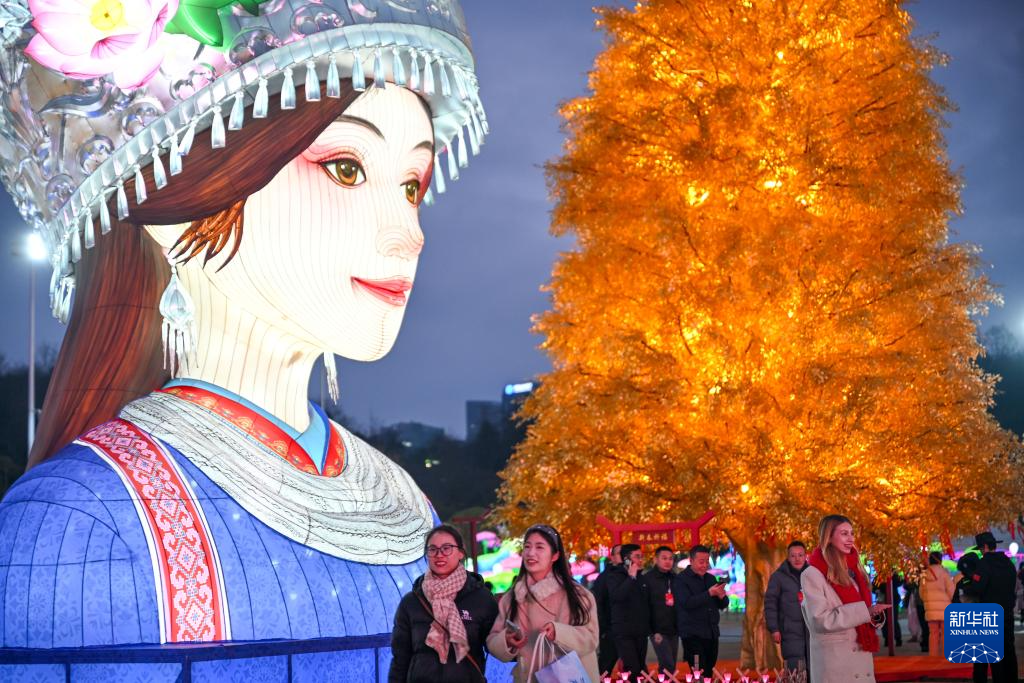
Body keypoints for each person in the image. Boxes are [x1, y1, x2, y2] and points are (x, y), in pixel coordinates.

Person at [0, 0, 490, 674]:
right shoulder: (75, 521)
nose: (409, 233)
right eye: (347, 168)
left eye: (411, 185)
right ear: (177, 208)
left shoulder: (406, 503)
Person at [487, 525, 600, 683]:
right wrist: (506, 640)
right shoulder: (512, 598)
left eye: (539, 547)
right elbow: (492, 640)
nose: (531, 553)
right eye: (527, 546)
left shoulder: (578, 595)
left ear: (555, 555)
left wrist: (559, 633)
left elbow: (591, 638)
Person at [390, 525, 498, 683]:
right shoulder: (411, 602)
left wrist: (513, 642)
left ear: (461, 553)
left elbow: (496, 645)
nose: (439, 554)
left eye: (447, 548)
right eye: (432, 549)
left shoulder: (482, 598)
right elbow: (400, 659)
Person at [801, 515, 887, 683]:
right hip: (836, 663)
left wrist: (874, 615)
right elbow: (820, 620)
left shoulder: (854, 572)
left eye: (852, 533)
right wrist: (864, 612)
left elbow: (861, 614)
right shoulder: (812, 574)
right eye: (844, 533)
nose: (851, 539)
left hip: (860, 657)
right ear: (829, 537)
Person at [964, 532, 1019, 683]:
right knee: (1009, 650)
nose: (981, 552)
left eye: (981, 549)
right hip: (1007, 613)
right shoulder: (1008, 563)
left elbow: (978, 587)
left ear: (985, 547)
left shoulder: (984, 564)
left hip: (990, 614)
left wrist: (969, 584)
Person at [675, 544, 728, 673]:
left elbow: (723, 605)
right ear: (691, 560)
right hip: (692, 634)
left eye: (707, 561)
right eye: (701, 562)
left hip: (711, 632)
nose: (705, 565)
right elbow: (687, 603)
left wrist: (722, 596)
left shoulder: (710, 578)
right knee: (699, 671)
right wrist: (709, 593)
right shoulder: (681, 580)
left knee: (709, 670)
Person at [606, 543, 651, 680]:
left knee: (641, 668)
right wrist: (631, 578)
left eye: (641, 556)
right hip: (624, 631)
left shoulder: (642, 577)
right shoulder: (614, 576)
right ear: (626, 559)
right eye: (637, 556)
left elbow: (647, 604)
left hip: (641, 631)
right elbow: (617, 597)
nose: (640, 560)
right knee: (633, 668)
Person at [764, 541, 810, 671]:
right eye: (793, 556)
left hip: (812, 629)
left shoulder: (813, 575)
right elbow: (770, 603)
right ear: (788, 557)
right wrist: (774, 629)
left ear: (805, 556)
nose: (797, 559)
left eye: (800, 555)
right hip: (790, 630)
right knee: (794, 668)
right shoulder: (778, 577)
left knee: (814, 668)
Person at [645, 546, 680, 676]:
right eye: (664, 558)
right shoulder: (647, 579)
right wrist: (653, 631)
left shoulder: (675, 578)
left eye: (670, 559)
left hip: (674, 629)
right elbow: (645, 607)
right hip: (658, 631)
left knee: (671, 665)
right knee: (667, 664)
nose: (668, 561)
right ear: (656, 559)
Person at [591, 544, 624, 676]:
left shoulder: (630, 574)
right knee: (605, 668)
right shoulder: (604, 578)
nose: (624, 556)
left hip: (628, 631)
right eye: (620, 553)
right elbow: (598, 604)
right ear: (612, 557)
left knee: (635, 668)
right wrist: (603, 629)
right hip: (610, 630)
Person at [918, 551, 954, 659]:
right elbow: (951, 591)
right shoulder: (944, 573)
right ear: (940, 560)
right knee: (945, 633)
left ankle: (933, 657)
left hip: (930, 608)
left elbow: (921, 593)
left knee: (933, 633)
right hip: (945, 608)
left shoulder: (924, 575)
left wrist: (928, 601)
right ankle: (945, 656)